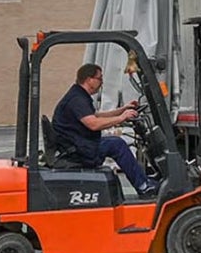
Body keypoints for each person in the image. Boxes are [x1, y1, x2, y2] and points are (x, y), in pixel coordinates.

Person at [52, 63, 159, 197]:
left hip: (80, 145)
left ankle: (144, 181)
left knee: (114, 142)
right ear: (89, 79)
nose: (102, 82)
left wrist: (122, 110)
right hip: (79, 151)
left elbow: (96, 116)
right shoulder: (77, 99)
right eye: (99, 78)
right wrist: (121, 118)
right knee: (117, 144)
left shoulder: (79, 96)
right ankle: (143, 186)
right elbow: (94, 124)